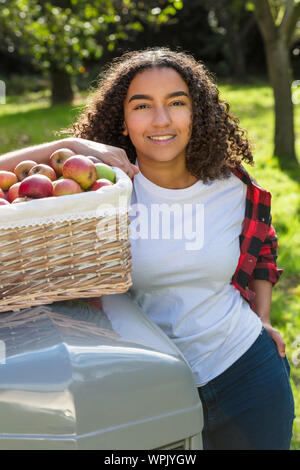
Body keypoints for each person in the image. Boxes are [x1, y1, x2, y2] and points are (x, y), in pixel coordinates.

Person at [0, 47, 295, 450]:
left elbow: (263, 247)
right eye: (142, 106)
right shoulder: (97, 198)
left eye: (176, 103)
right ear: (122, 120)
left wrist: (262, 318)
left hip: (246, 373)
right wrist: (76, 144)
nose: (161, 119)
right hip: (145, 388)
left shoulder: (232, 187)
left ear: (197, 113)